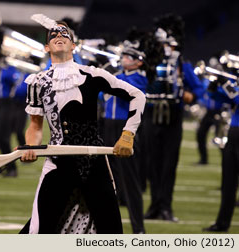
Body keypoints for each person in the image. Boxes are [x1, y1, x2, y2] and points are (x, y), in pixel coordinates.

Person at [19, 15, 146, 234]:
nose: (59, 36)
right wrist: (30, 147)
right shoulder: (37, 82)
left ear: (73, 45)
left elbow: (138, 96)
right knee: (40, 232)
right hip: (58, 164)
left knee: (111, 233)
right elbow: (36, 126)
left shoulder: (93, 75)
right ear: (47, 47)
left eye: (64, 34)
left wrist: (127, 134)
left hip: (94, 164)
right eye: (54, 35)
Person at [144, 14, 205, 222]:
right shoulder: (149, 62)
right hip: (152, 114)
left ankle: (166, 207)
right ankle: (154, 205)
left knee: (169, 164)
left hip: (173, 116)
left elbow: (198, 87)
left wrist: (191, 95)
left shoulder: (181, 63)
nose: (166, 47)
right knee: (152, 163)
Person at [102, 29, 163, 234]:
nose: (123, 58)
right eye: (124, 55)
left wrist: (105, 72)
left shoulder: (139, 79)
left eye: (129, 56)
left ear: (138, 62)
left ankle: (139, 229)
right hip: (106, 126)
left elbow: (119, 90)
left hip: (125, 129)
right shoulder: (116, 75)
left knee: (130, 182)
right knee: (105, 179)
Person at [202, 76, 239, 232]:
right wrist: (213, 87)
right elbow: (220, 101)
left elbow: (236, 98)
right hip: (234, 133)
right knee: (228, 182)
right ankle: (222, 223)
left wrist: (226, 84)